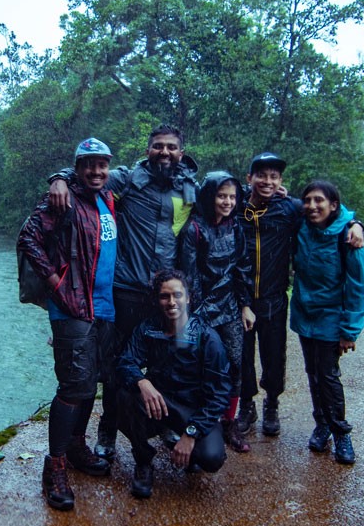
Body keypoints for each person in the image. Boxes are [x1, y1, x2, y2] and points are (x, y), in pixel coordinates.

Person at [49, 125, 198, 460]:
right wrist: (58, 179)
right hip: (126, 289)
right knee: (115, 365)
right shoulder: (127, 179)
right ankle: (108, 428)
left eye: (171, 147)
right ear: (147, 150)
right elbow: (87, 175)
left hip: (164, 294)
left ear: (181, 152)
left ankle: (165, 421)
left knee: (165, 361)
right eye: (157, 146)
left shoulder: (189, 188)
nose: (164, 152)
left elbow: (226, 202)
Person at [17, 137, 118, 511]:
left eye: (102, 164)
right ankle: (55, 466)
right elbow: (29, 237)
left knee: (90, 383)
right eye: (88, 164)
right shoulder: (63, 199)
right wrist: (54, 282)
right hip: (72, 307)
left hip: (103, 307)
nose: (96, 171)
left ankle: (76, 447)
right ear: (76, 168)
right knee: (73, 386)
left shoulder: (107, 198)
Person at [237, 153, 364, 438]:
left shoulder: (290, 208)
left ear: (281, 181)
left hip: (274, 297)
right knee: (242, 356)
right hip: (241, 298)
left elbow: (331, 212)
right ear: (249, 178)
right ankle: (246, 405)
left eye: (274, 177)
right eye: (261, 175)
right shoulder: (236, 208)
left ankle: (272, 404)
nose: (267, 181)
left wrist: (357, 223)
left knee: (274, 356)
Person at [115, 269, 231, 499]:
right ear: (157, 300)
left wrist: (191, 433)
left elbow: (220, 394)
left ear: (188, 298)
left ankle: (190, 450)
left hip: (193, 410)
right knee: (121, 396)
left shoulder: (207, 337)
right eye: (164, 296)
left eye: (177, 295)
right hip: (159, 403)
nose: (171, 302)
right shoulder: (148, 328)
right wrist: (141, 381)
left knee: (212, 458)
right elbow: (126, 361)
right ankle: (143, 462)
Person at [290, 180, 364, 465]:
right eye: (308, 200)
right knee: (312, 373)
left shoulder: (347, 236)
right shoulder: (302, 226)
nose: (312, 206)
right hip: (304, 314)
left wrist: (350, 330)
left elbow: (358, 285)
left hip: (331, 318)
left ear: (333, 205)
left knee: (327, 375)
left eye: (319, 200)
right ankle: (321, 424)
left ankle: (340, 433)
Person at [178, 171, 254, 453]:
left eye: (232, 197)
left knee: (234, 363)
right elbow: (190, 276)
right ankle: (196, 422)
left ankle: (229, 421)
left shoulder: (236, 227)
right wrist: (196, 315)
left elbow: (242, 267)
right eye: (222, 196)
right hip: (201, 309)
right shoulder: (194, 229)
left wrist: (245, 305)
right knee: (201, 365)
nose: (227, 202)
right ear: (210, 196)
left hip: (230, 306)